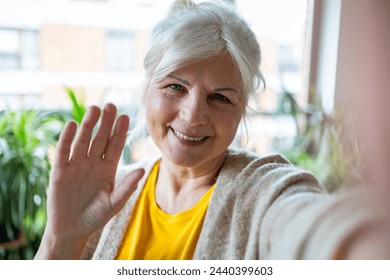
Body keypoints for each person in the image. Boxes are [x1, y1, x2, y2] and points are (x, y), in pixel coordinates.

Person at [35, 0, 389, 260]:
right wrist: (61, 238)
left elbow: (306, 224)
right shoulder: (110, 193)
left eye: (219, 97)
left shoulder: (264, 189)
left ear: (243, 108)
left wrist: (363, 243)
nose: (193, 116)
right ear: (146, 88)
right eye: (175, 87)